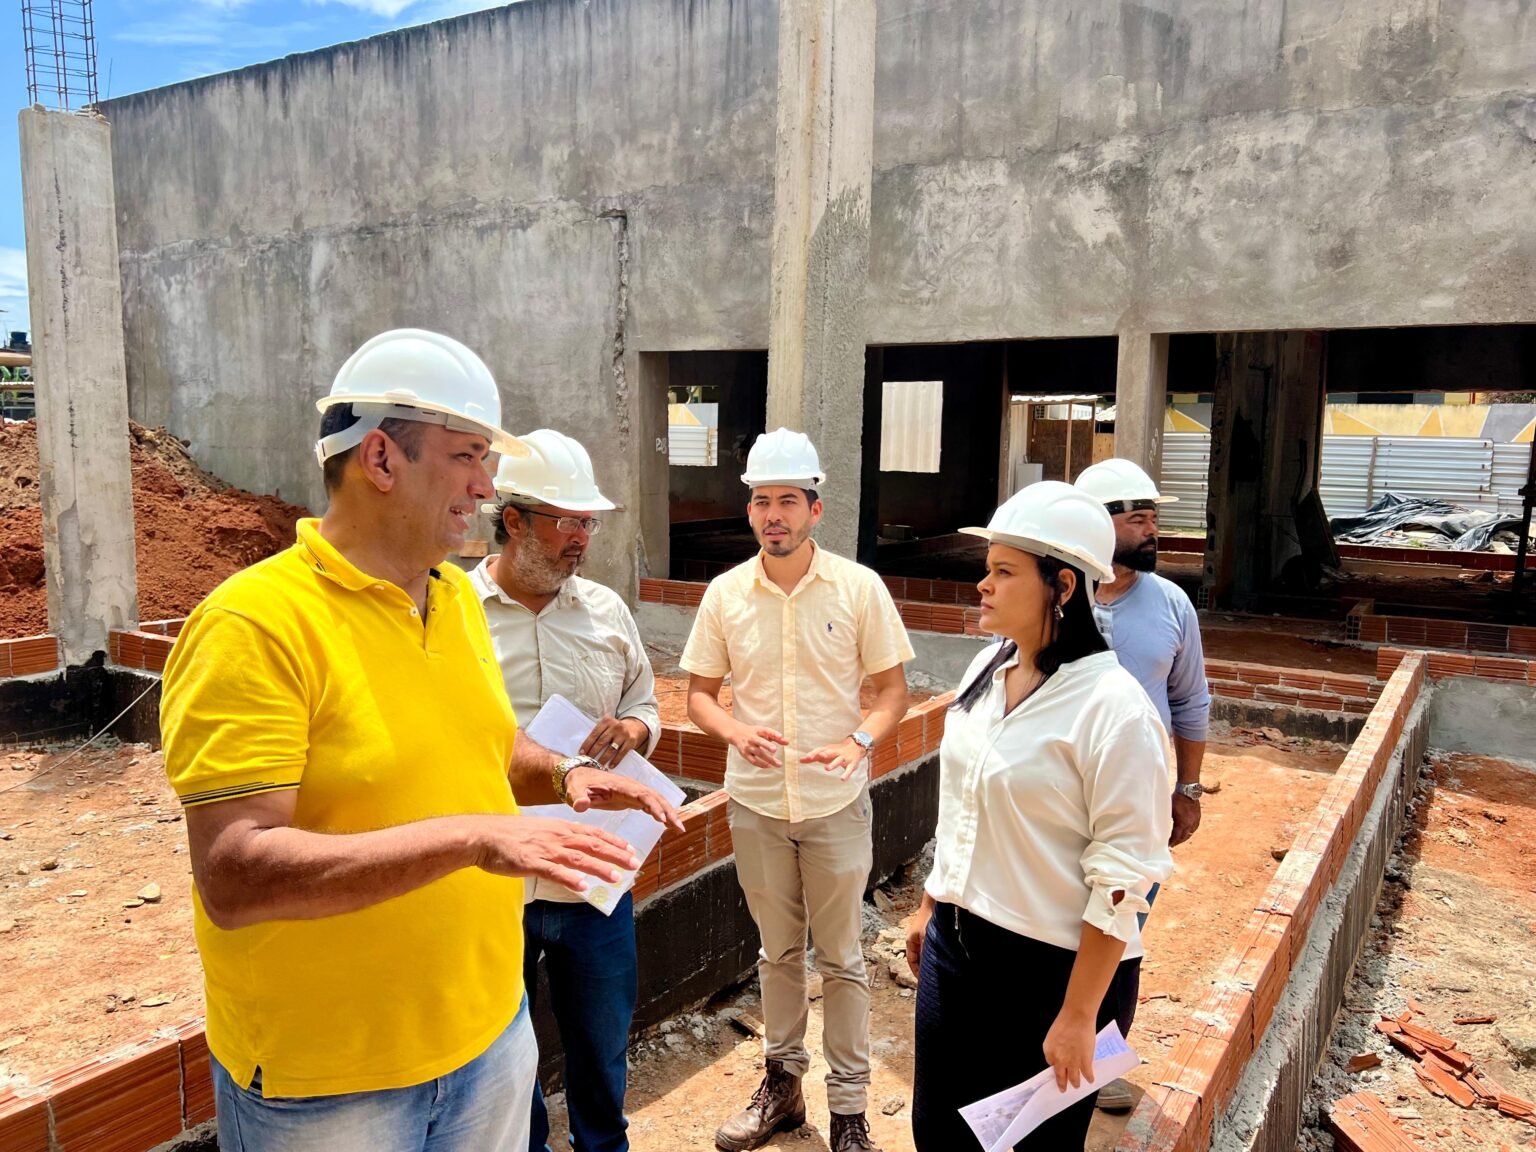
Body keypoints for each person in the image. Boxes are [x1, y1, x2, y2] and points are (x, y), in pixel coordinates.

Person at [160, 329, 677, 1152]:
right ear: (380, 458)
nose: (487, 483)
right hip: (335, 1086)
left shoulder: (455, 600)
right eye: (469, 455)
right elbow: (234, 873)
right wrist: (474, 838)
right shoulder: (252, 625)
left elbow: (485, 749)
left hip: (488, 1040)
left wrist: (567, 772)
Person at [905, 481, 1174, 1152]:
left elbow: (1124, 871)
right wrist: (933, 903)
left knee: (1029, 1147)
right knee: (938, 1133)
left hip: (1050, 972)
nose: (982, 585)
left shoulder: (1114, 711)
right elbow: (964, 800)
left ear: (1061, 586)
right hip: (957, 949)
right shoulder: (987, 667)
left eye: (1002, 571)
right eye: (986, 568)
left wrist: (1080, 1014)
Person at [682, 428, 914, 1152]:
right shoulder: (726, 595)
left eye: (787, 500)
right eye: (760, 501)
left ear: (815, 509)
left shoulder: (857, 588)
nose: (773, 514)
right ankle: (782, 1089)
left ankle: (848, 1112)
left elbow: (892, 690)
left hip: (835, 803)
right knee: (777, 955)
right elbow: (699, 696)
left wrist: (859, 742)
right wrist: (733, 733)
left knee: (842, 958)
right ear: (749, 512)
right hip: (754, 802)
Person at [470, 428, 660, 1152]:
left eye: (589, 521)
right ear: (513, 520)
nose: (582, 537)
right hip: (494, 882)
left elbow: (646, 703)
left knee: (601, 1050)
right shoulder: (455, 612)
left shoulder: (608, 613)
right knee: (503, 1061)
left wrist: (637, 733)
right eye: (566, 521)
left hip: (592, 879)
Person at [1073, 458, 1211, 1112]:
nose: (1153, 527)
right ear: (1098, 526)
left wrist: (1189, 788)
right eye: (1138, 517)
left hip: (1141, 801)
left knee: (1121, 933)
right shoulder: (1056, 596)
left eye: (1154, 516)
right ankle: (1051, 1050)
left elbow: (1192, 702)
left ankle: (1101, 1063)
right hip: (1064, 796)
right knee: (1057, 927)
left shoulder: (1171, 605)